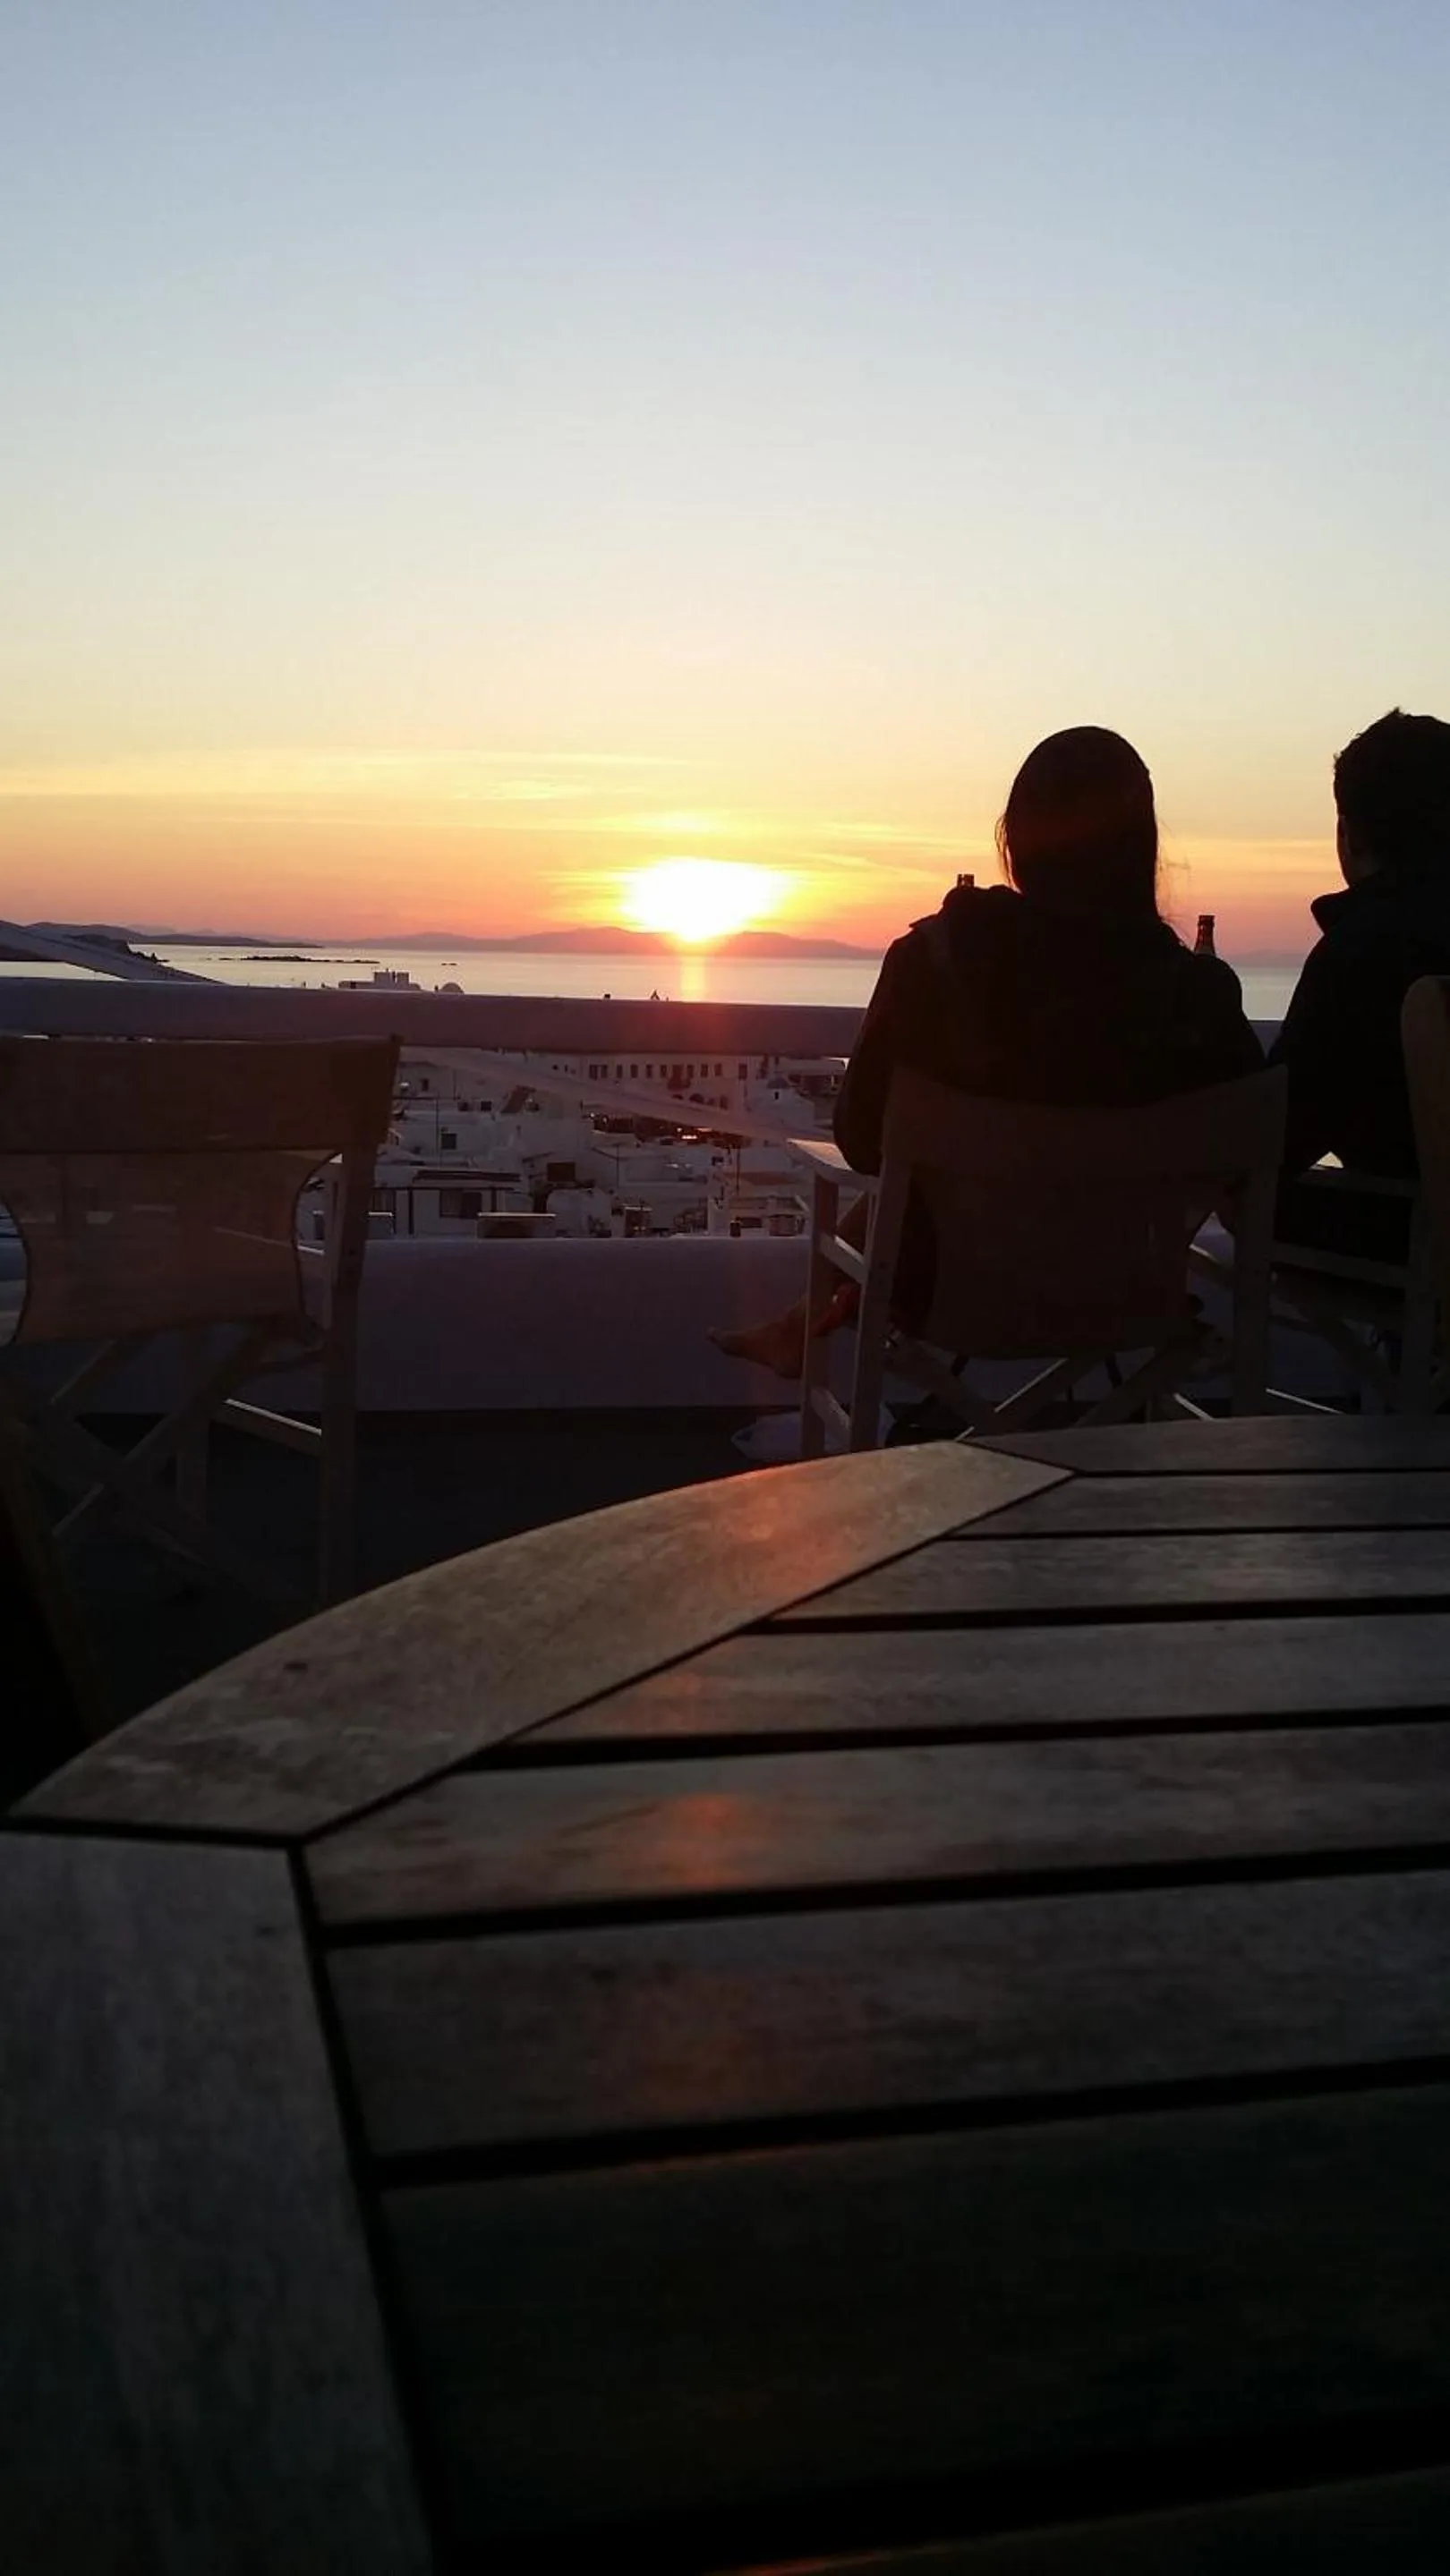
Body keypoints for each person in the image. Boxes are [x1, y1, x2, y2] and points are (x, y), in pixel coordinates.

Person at [711, 726, 1263, 1378]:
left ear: (1016, 844)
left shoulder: (935, 965)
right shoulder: (1200, 996)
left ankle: (801, 1327)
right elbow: (1247, 1156)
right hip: (1135, 1302)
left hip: (952, 1299)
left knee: (912, 1186)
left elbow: (861, 1141)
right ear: (1143, 848)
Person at [1270, 710, 1450, 1261]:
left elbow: (1277, 1137)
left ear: (1349, 834)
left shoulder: (1361, 952)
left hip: (1418, 1250)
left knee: (1250, 1192)